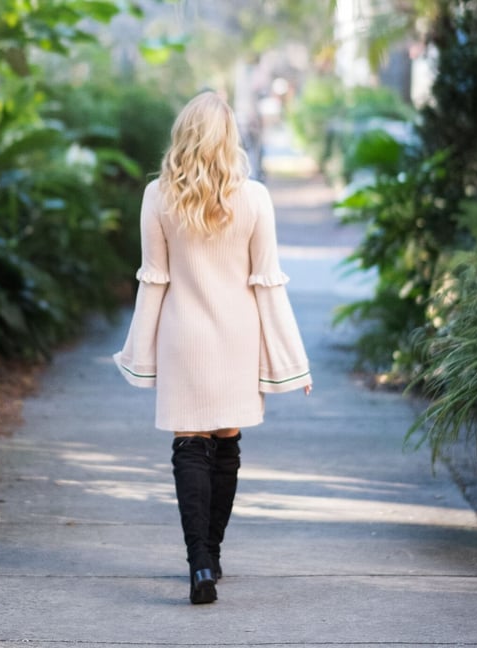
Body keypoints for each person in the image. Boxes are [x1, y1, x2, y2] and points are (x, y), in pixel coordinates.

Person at [113, 91, 312, 605]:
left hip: (184, 338)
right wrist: (292, 360)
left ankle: (198, 561)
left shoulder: (158, 196)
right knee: (226, 443)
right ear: (230, 141)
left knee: (189, 445)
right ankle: (214, 555)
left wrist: (139, 353)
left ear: (183, 137)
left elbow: (153, 280)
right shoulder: (255, 198)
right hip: (237, 339)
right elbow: (267, 283)